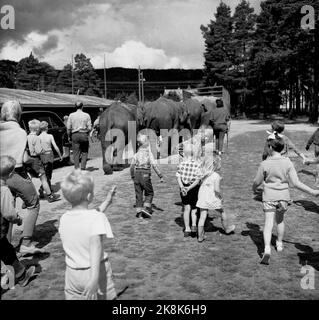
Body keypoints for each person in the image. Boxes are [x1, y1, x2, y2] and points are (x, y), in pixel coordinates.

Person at [253, 133, 319, 265]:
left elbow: (257, 181)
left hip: (269, 197)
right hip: (283, 198)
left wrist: (253, 188)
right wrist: (312, 191)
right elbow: (295, 183)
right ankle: (279, 244)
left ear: (270, 148)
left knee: (268, 224)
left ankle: (266, 249)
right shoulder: (288, 162)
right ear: (282, 148)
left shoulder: (265, 163)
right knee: (280, 221)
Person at [59, 169, 117, 300]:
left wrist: (107, 201)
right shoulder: (96, 218)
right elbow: (95, 247)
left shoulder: (64, 218)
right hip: (95, 271)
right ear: (89, 196)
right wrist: (94, 278)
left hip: (72, 274)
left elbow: (91, 216)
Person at [0, 100, 42, 255]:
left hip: (1, 175)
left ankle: (8, 245)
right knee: (33, 204)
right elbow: (24, 159)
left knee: (7, 209)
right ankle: (26, 242)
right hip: (15, 172)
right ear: (18, 114)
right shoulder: (21, 132)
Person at [0, 156, 37, 287]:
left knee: (6, 251)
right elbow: (9, 213)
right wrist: (18, 219)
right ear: (11, 174)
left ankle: (19, 275)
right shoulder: (4, 191)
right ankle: (21, 275)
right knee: (8, 252)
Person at [196, 155, 235, 242]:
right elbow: (216, 189)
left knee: (202, 216)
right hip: (212, 197)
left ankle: (200, 236)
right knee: (222, 211)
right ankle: (227, 228)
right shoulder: (216, 175)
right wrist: (220, 196)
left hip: (202, 196)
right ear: (215, 164)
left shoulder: (203, 174)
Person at [130, 134, 164, 218]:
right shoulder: (149, 154)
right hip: (145, 174)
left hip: (137, 174)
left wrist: (132, 176)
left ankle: (139, 213)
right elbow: (154, 165)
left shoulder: (136, 154)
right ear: (146, 143)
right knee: (149, 193)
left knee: (139, 194)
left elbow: (131, 167)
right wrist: (160, 175)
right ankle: (146, 208)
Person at [26, 119, 60, 203]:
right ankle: (50, 195)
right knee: (44, 178)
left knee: (29, 179)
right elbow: (38, 151)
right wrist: (43, 151)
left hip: (28, 159)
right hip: (36, 159)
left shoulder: (26, 137)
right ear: (37, 129)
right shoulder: (36, 138)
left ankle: (26, 200)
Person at [176, 142, 202, 237]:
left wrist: (182, 187)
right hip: (194, 188)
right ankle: (194, 225)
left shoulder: (181, 164)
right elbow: (198, 179)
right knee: (194, 208)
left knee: (186, 208)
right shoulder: (197, 164)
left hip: (183, 188)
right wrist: (190, 187)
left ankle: (187, 228)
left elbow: (178, 176)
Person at [38, 121, 63, 194]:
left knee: (45, 173)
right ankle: (45, 189)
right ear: (46, 128)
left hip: (42, 155)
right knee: (48, 173)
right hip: (49, 155)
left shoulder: (38, 137)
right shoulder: (50, 136)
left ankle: (45, 188)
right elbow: (55, 146)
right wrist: (60, 155)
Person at [67, 101, 92, 170]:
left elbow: (68, 128)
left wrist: (69, 136)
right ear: (82, 106)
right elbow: (89, 128)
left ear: (75, 107)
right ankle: (83, 167)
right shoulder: (87, 115)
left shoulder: (71, 115)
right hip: (84, 134)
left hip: (75, 134)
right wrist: (87, 133)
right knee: (84, 151)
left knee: (76, 153)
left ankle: (77, 168)